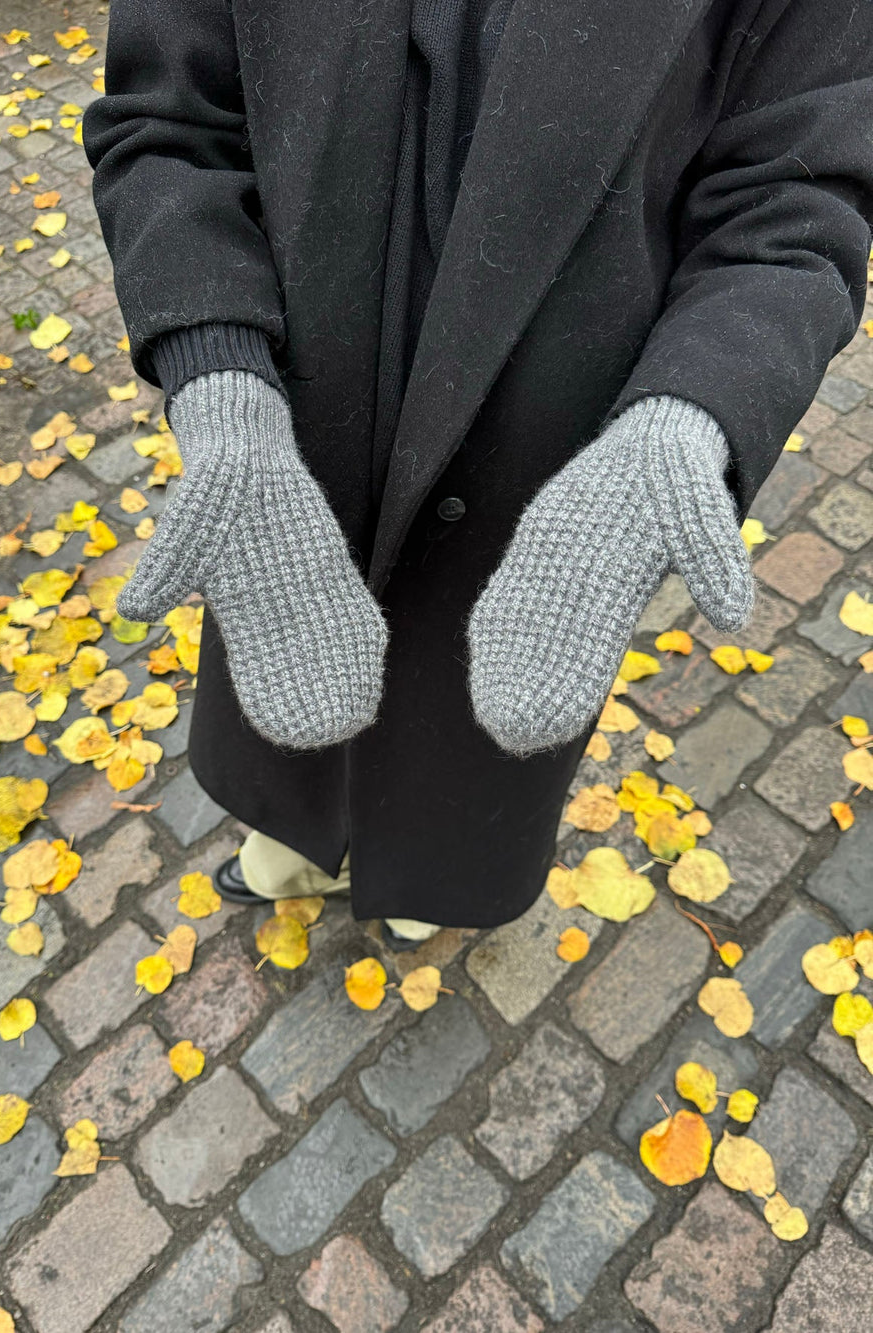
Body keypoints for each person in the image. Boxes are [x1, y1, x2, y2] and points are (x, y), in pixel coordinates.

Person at [83, 0, 873, 950]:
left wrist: (691, 408)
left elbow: (797, 203)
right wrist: (217, 379)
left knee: (468, 753)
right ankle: (292, 849)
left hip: (551, 489)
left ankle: (422, 895)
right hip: (290, 448)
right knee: (291, 689)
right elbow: (168, 122)